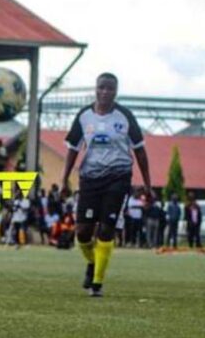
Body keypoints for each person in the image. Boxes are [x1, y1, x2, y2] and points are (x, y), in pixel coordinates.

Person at [60, 73, 152, 297]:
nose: (105, 92)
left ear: (116, 91)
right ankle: (93, 263)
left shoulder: (125, 116)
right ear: (95, 88)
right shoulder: (84, 116)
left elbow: (139, 150)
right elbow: (73, 149)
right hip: (90, 178)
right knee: (82, 232)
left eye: (110, 88)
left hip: (118, 177)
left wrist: (148, 185)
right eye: (101, 87)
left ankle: (97, 283)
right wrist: (64, 180)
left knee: (106, 228)